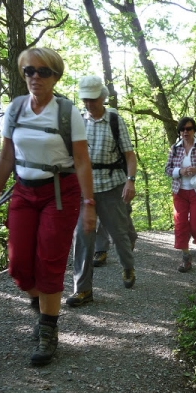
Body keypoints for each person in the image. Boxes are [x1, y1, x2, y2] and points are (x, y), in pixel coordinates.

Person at [0, 47, 96, 365]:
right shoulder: (14, 109)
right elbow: (5, 157)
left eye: (43, 71)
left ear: (55, 76)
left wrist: (89, 204)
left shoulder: (67, 111)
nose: (35, 76)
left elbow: (82, 160)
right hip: (23, 192)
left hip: (60, 193)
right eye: (29, 70)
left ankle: (48, 329)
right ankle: (43, 306)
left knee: (49, 259)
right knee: (18, 267)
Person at [66, 76, 138, 308]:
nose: (88, 104)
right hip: (84, 189)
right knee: (82, 238)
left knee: (119, 234)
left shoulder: (115, 120)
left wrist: (130, 181)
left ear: (103, 98)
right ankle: (83, 289)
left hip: (111, 186)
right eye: (85, 99)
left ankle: (128, 267)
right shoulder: (77, 120)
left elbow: (129, 155)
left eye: (93, 99)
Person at [165, 116, 196, 272]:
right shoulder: (175, 148)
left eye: (189, 129)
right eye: (182, 129)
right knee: (180, 224)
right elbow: (167, 169)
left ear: (194, 130)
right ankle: (186, 258)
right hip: (179, 191)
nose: (185, 132)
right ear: (179, 131)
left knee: (195, 225)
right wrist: (180, 171)